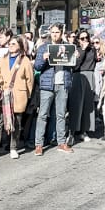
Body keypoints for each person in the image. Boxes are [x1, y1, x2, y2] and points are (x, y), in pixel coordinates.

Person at [32, 24, 76, 155]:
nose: (55, 35)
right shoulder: (43, 47)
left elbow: (74, 65)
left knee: (61, 114)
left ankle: (61, 143)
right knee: (43, 115)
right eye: (53, 32)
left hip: (62, 83)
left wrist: (75, 56)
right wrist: (44, 58)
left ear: (61, 33)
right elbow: (37, 66)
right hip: (47, 85)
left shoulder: (68, 47)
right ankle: (38, 144)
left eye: (57, 32)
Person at [0, 37, 34, 159]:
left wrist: (27, 95)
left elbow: (30, 80)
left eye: (13, 43)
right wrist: (0, 83)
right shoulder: (3, 59)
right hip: (4, 94)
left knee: (16, 122)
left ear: (20, 46)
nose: (10, 45)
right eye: (9, 43)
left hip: (18, 95)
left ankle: (13, 148)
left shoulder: (25, 60)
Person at [73, 30, 99, 140]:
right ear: (78, 40)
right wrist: (82, 50)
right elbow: (76, 66)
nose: (85, 40)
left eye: (86, 38)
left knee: (88, 105)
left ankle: (85, 130)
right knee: (78, 105)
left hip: (90, 74)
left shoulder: (92, 49)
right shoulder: (76, 50)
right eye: (82, 38)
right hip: (79, 75)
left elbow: (94, 62)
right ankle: (76, 130)